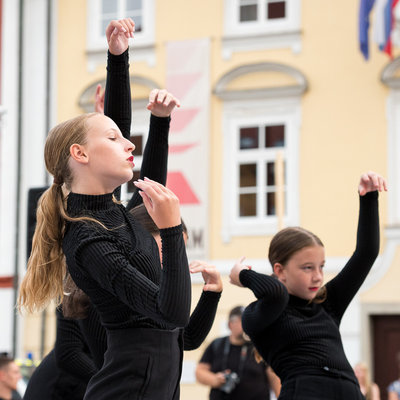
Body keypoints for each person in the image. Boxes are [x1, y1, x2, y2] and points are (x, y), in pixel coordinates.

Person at [18, 17, 191, 400]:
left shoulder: (117, 218)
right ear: (79, 154)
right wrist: (173, 232)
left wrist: (119, 58)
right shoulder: (88, 237)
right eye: (116, 139)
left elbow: (117, 134)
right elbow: (173, 313)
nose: (130, 144)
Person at [229, 171, 387, 400]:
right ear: (279, 270)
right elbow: (275, 293)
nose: (318, 276)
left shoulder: (327, 304)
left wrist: (369, 198)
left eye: (321, 266)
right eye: (307, 268)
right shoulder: (258, 315)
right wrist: (243, 275)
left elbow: (366, 254)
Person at [196, 305, 281, 400]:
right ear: (230, 324)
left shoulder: (259, 346)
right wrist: (215, 379)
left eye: (250, 321)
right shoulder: (217, 344)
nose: (248, 325)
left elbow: (273, 376)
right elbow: (200, 371)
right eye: (243, 321)